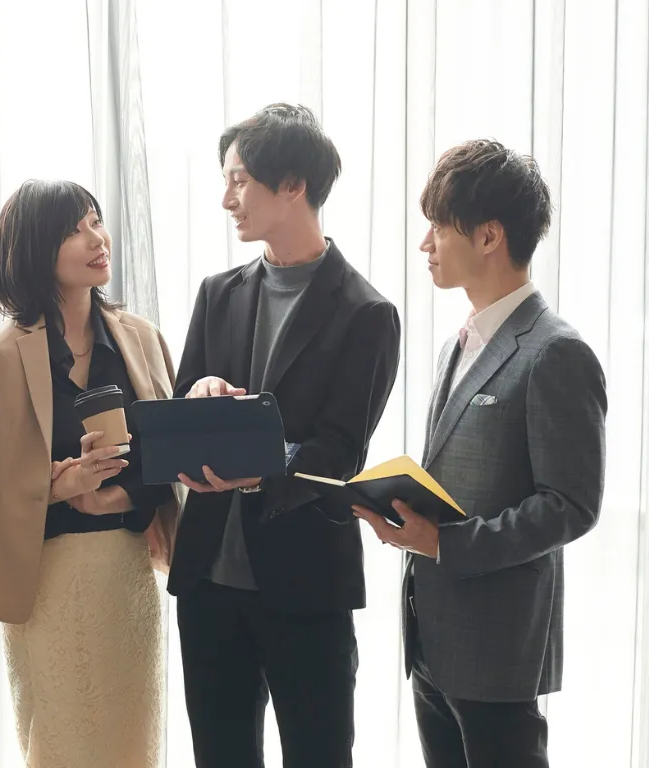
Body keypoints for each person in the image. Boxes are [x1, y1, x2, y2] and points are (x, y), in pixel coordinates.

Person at [354, 139, 607, 768]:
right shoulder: (454, 346)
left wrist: (443, 543)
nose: (426, 244)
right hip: (434, 640)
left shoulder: (555, 352)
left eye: (438, 226)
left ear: (489, 235)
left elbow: (570, 505)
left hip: (498, 649)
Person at [167, 103, 402, 767]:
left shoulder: (367, 313)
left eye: (239, 179)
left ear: (293, 184)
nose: (226, 198)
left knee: (318, 756)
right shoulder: (218, 292)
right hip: (209, 582)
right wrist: (199, 394)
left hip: (305, 587)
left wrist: (262, 466)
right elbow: (178, 410)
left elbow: (338, 453)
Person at [0, 179, 179, 768]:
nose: (97, 239)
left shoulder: (141, 340)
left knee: (132, 745)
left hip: (126, 579)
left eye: (96, 220)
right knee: (61, 745)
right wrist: (56, 487)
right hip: (42, 583)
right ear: (33, 248)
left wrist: (121, 496)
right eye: (75, 229)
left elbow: (167, 460)